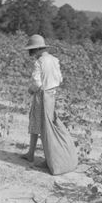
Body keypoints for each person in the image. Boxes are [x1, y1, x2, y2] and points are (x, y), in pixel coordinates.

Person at [21, 34, 78, 175]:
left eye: (32, 51)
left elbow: (36, 83)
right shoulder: (54, 60)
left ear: (37, 49)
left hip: (41, 95)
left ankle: (49, 159)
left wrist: (31, 90)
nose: (32, 54)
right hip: (52, 95)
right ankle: (30, 153)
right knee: (44, 124)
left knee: (43, 127)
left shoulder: (39, 62)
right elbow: (59, 79)